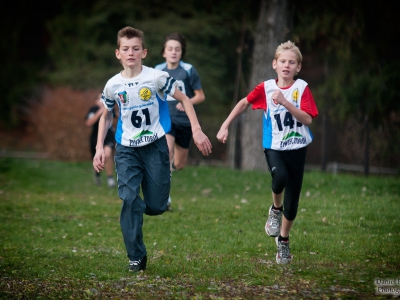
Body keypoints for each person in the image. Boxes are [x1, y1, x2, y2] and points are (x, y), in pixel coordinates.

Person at [93, 26, 212, 272]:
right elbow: (105, 116)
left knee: (156, 206)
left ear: (144, 52)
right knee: (128, 198)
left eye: (136, 48)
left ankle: (141, 206)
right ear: (118, 53)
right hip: (126, 149)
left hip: (155, 146)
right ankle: (135, 256)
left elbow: (185, 99)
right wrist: (98, 148)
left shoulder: (156, 78)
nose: (131, 53)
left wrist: (197, 129)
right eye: (125, 49)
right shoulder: (113, 85)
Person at [217, 41, 318, 264]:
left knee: (292, 206)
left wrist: (285, 102)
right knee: (279, 177)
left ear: (298, 67)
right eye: (282, 61)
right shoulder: (265, 88)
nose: (286, 65)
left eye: (292, 62)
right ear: (274, 64)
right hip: (274, 147)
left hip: (297, 149)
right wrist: (225, 125)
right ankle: (275, 209)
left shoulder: (301, 88)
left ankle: (283, 241)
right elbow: (244, 103)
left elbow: (308, 119)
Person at [155, 33, 205, 211]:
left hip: (185, 122)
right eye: (170, 49)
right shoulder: (157, 71)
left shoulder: (189, 70)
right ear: (164, 52)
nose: (174, 52)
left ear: (182, 52)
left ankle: (173, 167)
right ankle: (165, 198)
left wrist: (187, 102)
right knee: (166, 154)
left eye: (177, 49)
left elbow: (200, 96)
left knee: (180, 164)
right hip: (167, 121)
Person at [85, 93, 116, 188]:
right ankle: (97, 174)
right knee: (98, 157)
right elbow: (88, 123)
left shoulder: (110, 108)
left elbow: (116, 118)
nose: (102, 101)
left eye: (103, 99)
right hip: (95, 136)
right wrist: (99, 113)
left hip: (108, 135)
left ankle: (110, 178)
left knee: (107, 154)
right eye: (99, 99)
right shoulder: (93, 110)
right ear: (95, 101)